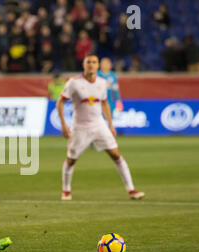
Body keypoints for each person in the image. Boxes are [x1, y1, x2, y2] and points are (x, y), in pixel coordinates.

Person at [56, 54, 144, 201]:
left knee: (116, 155)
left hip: (99, 125)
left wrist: (110, 124)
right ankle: (66, 190)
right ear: (84, 65)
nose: (91, 64)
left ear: (98, 66)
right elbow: (60, 102)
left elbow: (104, 103)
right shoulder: (74, 83)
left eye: (94, 62)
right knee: (71, 160)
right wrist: (64, 125)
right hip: (80, 127)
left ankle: (131, 190)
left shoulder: (102, 83)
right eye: (88, 62)